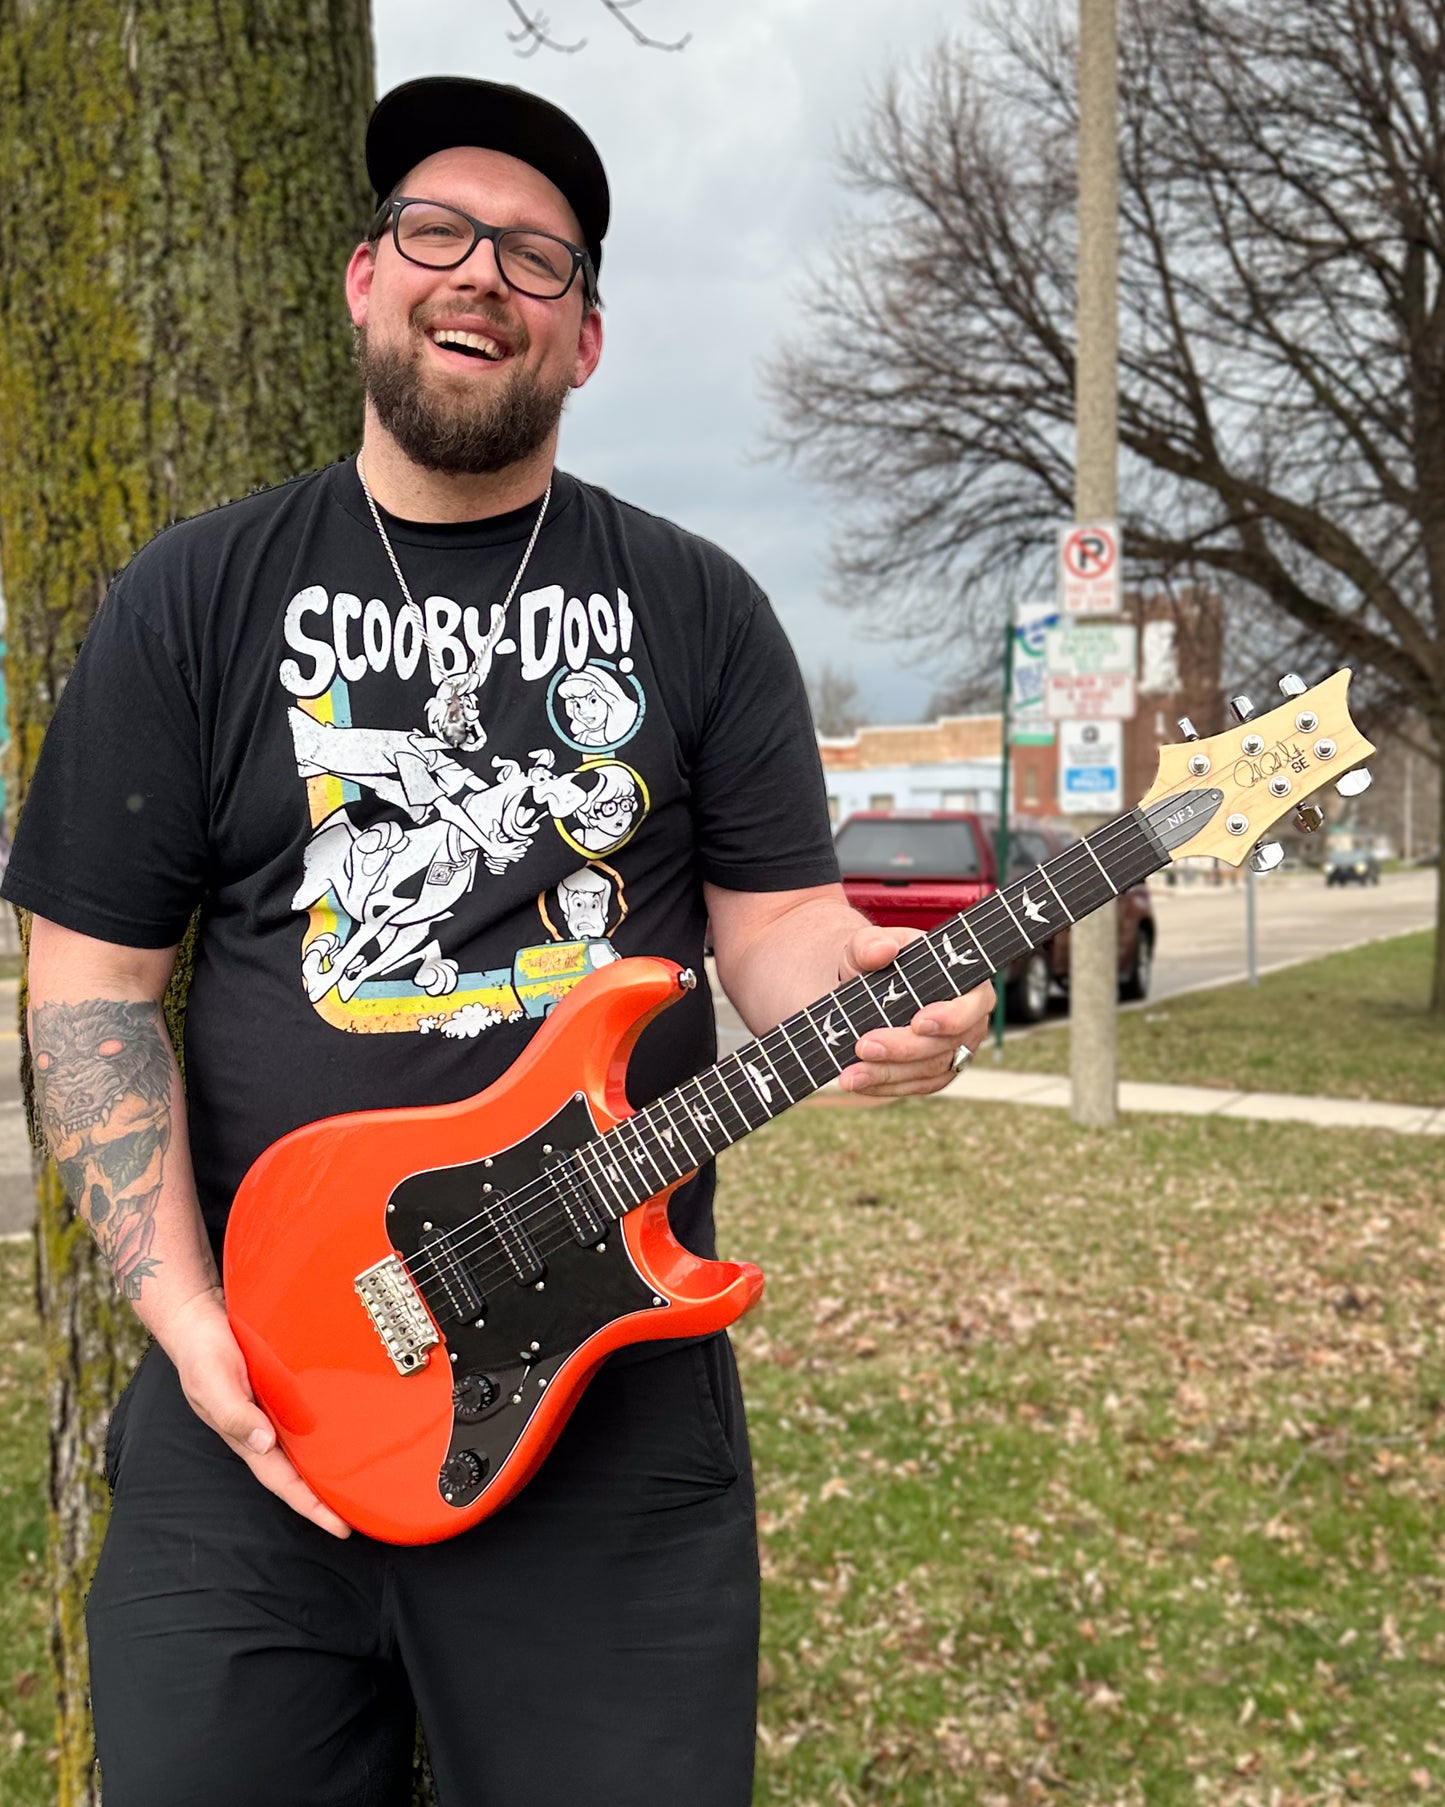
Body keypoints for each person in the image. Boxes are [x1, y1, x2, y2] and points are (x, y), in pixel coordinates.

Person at [3, 77, 991, 1807]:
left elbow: (773, 933)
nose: (481, 274)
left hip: (609, 1421)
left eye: (537, 256)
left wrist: (867, 1000)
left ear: (584, 339)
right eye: (437, 232)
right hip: (257, 1409)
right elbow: (90, 985)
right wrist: (187, 1320)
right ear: (363, 280)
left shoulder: (698, 607)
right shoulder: (197, 595)